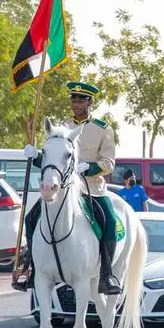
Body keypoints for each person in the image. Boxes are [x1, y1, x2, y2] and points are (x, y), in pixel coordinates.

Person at [14, 82, 121, 294]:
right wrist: (35, 156)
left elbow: (109, 163)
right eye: (74, 99)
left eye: (81, 100)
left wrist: (88, 168)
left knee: (109, 221)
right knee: (30, 218)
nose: (76, 103)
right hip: (62, 190)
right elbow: (51, 161)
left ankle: (107, 275)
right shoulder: (60, 127)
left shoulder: (102, 129)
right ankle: (32, 268)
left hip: (91, 188)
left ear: (90, 102)